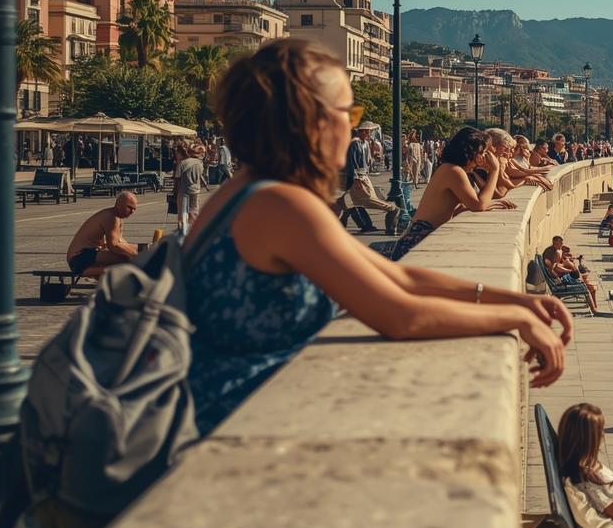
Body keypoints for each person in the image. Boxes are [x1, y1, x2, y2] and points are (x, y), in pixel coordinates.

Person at [182, 39, 570, 434]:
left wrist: (515, 300)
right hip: (234, 425)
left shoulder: (249, 192)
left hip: (233, 414)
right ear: (312, 121)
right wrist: (516, 319)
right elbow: (400, 316)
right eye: (348, 113)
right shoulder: (281, 205)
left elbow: (397, 275)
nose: (353, 128)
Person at [385, 127, 511, 261]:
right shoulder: (453, 171)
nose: (485, 157)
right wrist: (494, 170)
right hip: (416, 240)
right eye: (483, 152)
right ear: (471, 152)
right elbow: (478, 205)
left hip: (420, 236)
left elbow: (461, 207)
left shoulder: (452, 168)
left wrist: (490, 203)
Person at [340, 120, 400, 234]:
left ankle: (361, 223)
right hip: (359, 176)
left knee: (356, 201)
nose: (370, 134)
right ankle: (391, 210)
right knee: (367, 199)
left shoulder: (365, 143)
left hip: (363, 175)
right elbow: (352, 163)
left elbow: (367, 160)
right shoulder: (355, 144)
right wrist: (356, 178)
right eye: (368, 132)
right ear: (363, 132)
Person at [65, 193, 141, 278]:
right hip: (79, 258)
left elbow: (121, 242)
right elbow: (114, 246)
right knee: (126, 259)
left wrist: (140, 249)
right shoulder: (111, 217)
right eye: (129, 207)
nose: (132, 211)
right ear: (119, 204)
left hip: (82, 257)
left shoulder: (116, 217)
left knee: (129, 258)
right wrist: (137, 252)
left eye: (134, 209)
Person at [174, 143, 209, 235]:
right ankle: (193, 232)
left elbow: (177, 178)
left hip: (183, 190)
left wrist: (176, 191)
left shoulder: (183, 163)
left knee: (182, 213)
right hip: (195, 190)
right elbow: (200, 176)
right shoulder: (200, 163)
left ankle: (182, 232)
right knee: (193, 212)